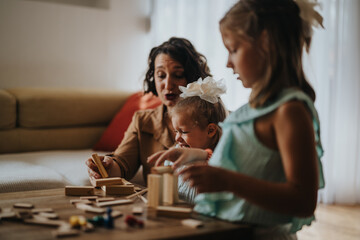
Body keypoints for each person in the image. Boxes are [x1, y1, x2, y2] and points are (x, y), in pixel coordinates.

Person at [147, 0, 325, 238]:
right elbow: (251, 159)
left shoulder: (289, 112)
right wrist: (194, 154)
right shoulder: (253, 109)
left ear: (266, 44)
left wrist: (228, 181)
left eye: (234, 50)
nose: (228, 63)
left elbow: (303, 201)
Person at [85, 37, 212, 185]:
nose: (168, 84)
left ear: (192, 77)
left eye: (178, 75)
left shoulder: (216, 118)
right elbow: (122, 164)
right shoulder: (143, 121)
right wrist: (105, 167)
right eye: (161, 75)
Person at [155, 77, 228, 203]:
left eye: (184, 132)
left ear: (210, 130)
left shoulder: (221, 160)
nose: (177, 138)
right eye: (176, 131)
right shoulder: (177, 153)